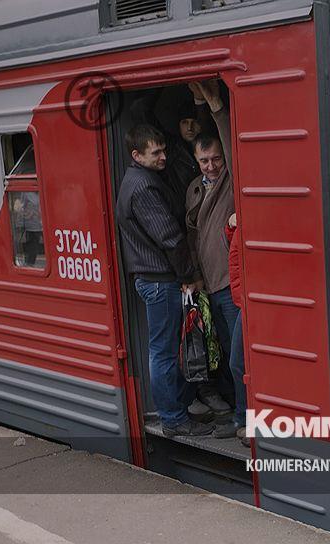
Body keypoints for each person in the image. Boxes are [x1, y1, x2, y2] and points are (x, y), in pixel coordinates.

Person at [115, 124, 210, 437]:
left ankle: (177, 411)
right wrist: (190, 275)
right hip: (159, 280)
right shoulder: (144, 187)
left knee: (165, 350)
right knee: (164, 352)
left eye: (164, 150)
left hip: (153, 278)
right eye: (156, 152)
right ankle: (173, 418)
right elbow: (169, 237)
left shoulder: (136, 179)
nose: (163, 157)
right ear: (136, 155)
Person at [184, 79, 241, 438]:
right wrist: (194, 276)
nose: (211, 166)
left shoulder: (230, 179)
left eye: (216, 159)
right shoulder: (193, 188)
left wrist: (216, 108)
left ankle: (243, 420)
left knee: (239, 358)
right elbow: (191, 239)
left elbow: (231, 143)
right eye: (204, 160)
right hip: (210, 286)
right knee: (222, 355)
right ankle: (236, 411)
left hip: (231, 285)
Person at [224, 212, 249, 447]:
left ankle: (246, 419)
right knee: (240, 363)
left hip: (250, 301)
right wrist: (231, 227)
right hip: (244, 299)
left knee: (239, 363)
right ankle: (243, 418)